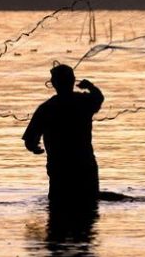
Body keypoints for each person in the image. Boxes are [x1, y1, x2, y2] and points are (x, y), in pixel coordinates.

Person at [23, 64, 104, 205]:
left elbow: (30, 139)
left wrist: (34, 147)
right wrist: (90, 86)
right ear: (73, 81)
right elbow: (98, 98)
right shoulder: (84, 102)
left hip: (60, 169)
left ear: (54, 83)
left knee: (59, 207)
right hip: (85, 166)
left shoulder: (46, 108)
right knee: (88, 207)